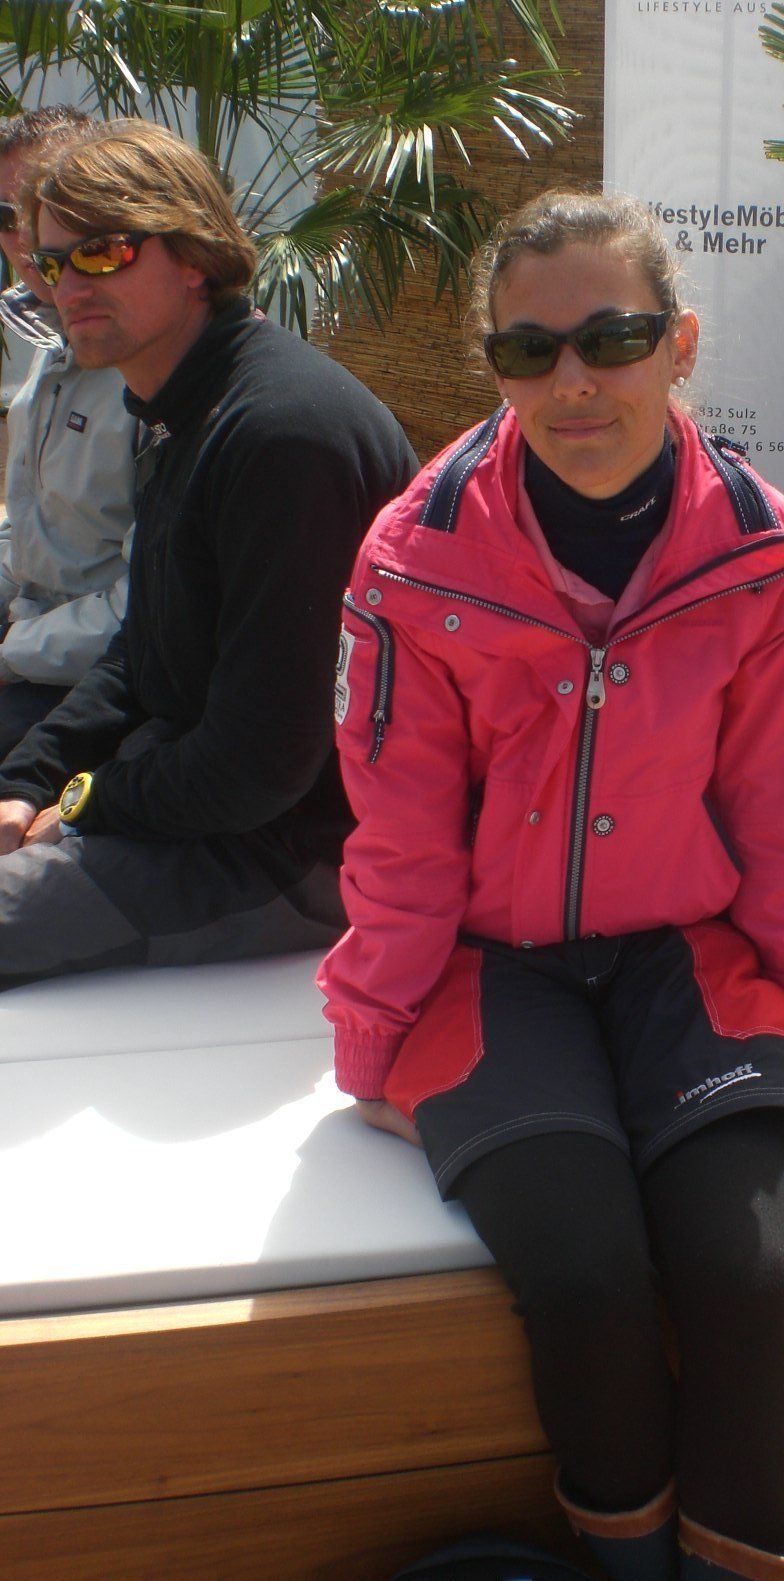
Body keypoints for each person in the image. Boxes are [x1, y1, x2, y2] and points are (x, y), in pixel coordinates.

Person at [318, 191, 784, 1581]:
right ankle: (627, 1579)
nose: (574, 382)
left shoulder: (765, 552)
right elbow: (401, 832)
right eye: (531, 350)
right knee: (584, 1275)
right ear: (496, 368)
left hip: (694, 957)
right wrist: (371, 1033)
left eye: (613, 339)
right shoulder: (415, 555)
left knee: (745, 1277)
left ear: (678, 344)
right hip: (491, 972)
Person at [0, 120, 416, 984]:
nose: (66, 284)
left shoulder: (280, 434)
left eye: (103, 253)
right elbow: (144, 651)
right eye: (50, 261)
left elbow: (263, 765)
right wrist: (30, 780)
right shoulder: (178, 406)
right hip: (204, 798)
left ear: (193, 257)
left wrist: (80, 803)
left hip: (300, 852)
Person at [0, 107, 137, 756]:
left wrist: (11, 651)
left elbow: (149, 607)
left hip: (101, 681)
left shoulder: (150, 371)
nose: (28, 237)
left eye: (51, 210)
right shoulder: (47, 339)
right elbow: (25, 533)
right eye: (8, 217)